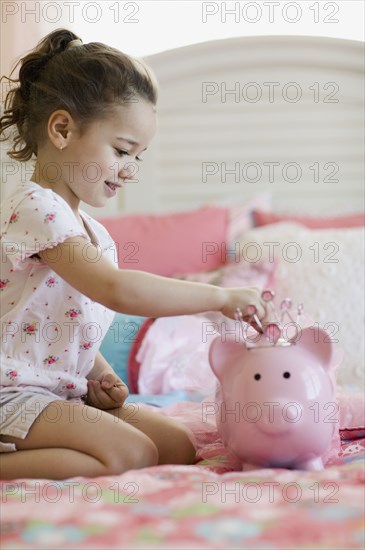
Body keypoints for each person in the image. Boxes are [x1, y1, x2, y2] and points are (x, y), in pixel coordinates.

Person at [0, 29, 267, 480]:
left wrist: (99, 374)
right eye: (123, 150)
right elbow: (116, 291)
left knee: (175, 445)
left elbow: (68, 321)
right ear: (62, 129)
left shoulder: (94, 234)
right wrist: (219, 297)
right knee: (131, 456)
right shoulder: (36, 207)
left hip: (60, 392)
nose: (130, 170)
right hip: (13, 393)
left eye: (139, 157)